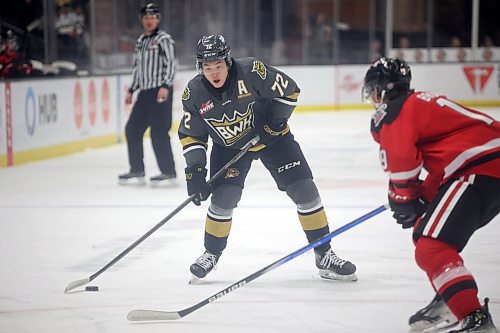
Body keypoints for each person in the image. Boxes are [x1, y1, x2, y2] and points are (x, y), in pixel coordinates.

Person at [178, 34, 357, 283]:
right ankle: (210, 254)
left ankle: (324, 254)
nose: (214, 73)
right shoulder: (193, 93)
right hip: (229, 147)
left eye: (218, 66)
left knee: (305, 191)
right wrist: (195, 172)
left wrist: (275, 122)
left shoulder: (251, 71)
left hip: (272, 138)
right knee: (223, 199)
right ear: (200, 67)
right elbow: (191, 136)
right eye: (208, 68)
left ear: (227, 62)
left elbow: (290, 90)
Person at [362, 57, 500, 333]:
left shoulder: (394, 111)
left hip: (479, 169)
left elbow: (402, 162)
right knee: (427, 225)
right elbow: (447, 158)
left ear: (381, 89)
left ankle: (474, 318)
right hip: (484, 166)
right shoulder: (420, 102)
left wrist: (403, 198)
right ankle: (450, 295)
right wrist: (421, 196)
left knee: (431, 245)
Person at [119, 3, 177, 187]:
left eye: (152, 17)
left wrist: (166, 85)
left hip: (160, 91)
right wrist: (131, 89)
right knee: (132, 129)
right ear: (141, 20)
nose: (149, 21)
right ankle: (137, 170)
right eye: (146, 18)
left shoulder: (164, 39)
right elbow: (138, 68)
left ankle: (168, 172)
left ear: (158, 19)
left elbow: (171, 64)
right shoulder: (140, 41)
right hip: (144, 92)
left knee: (159, 132)